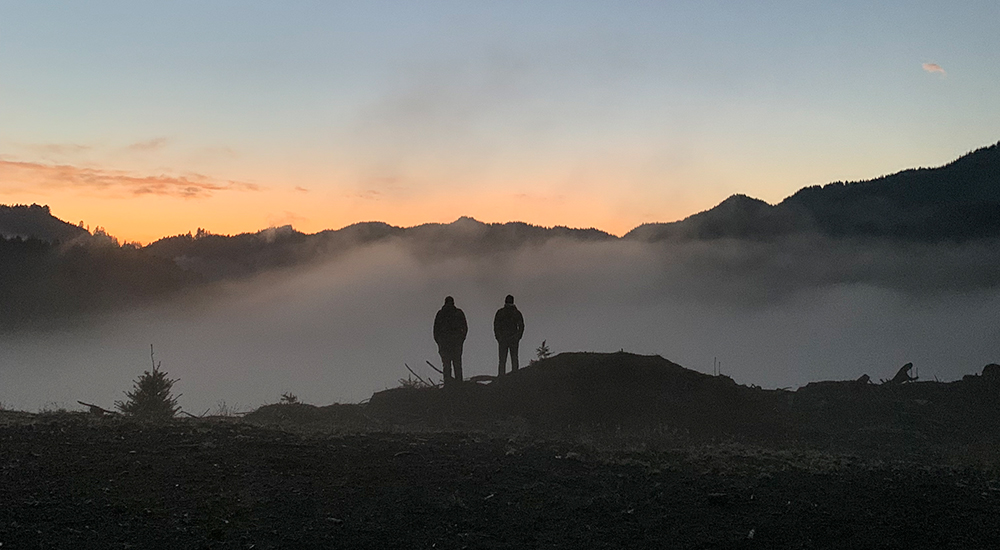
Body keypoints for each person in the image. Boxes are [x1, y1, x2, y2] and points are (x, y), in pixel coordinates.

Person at [433, 296, 468, 386]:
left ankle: (448, 386)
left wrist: (439, 342)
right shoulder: (458, 313)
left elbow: (435, 331)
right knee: (457, 364)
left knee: (446, 365)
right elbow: (465, 328)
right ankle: (459, 385)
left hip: (444, 344)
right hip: (456, 343)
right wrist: (461, 339)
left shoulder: (440, 314)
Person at [494, 294, 525, 376]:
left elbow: (496, 326)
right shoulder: (516, 313)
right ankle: (514, 378)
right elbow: (521, 326)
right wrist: (517, 337)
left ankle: (502, 378)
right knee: (513, 359)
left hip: (505, 339)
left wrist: (499, 337)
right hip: (510, 339)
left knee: (503, 361)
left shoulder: (500, 312)